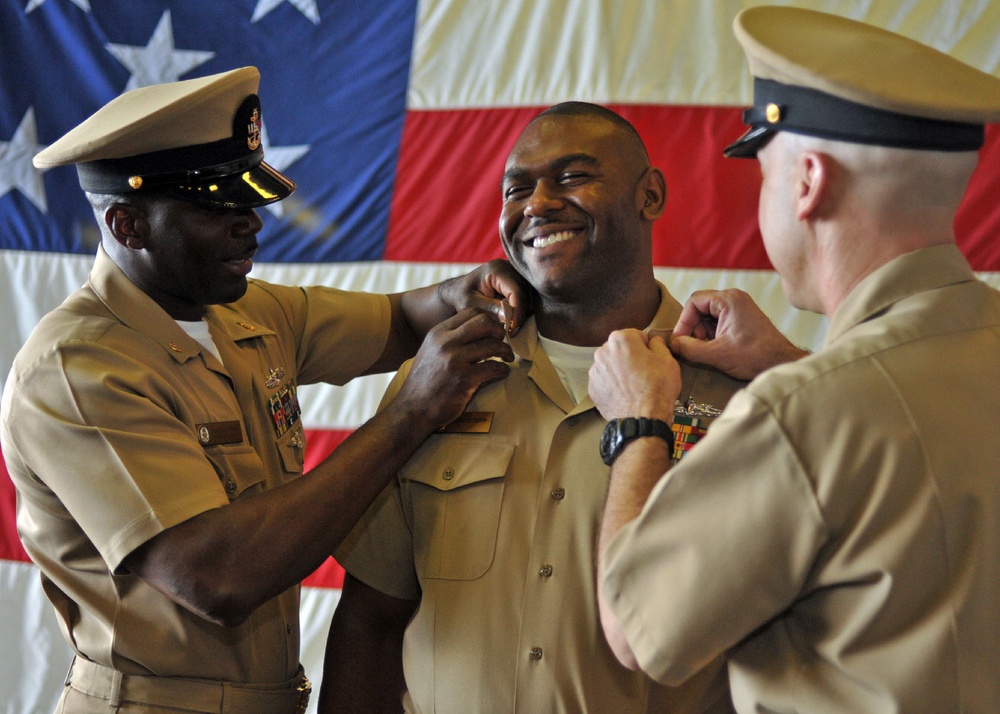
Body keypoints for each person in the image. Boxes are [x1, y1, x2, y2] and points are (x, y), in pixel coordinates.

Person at [0, 66, 531, 713]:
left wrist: (465, 290)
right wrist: (412, 413)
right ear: (126, 225)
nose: (250, 223)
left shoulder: (243, 312)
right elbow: (219, 576)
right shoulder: (76, 368)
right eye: (214, 208)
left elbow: (399, 319)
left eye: (247, 200)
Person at [590, 6, 1000, 713]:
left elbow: (637, 627)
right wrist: (796, 368)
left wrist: (638, 425)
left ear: (807, 182)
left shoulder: (803, 412)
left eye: (766, 173)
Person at [320, 102, 747, 713]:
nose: (537, 204)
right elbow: (371, 621)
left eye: (572, 178)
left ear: (649, 195)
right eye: (516, 188)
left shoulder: (737, 394)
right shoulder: (441, 380)